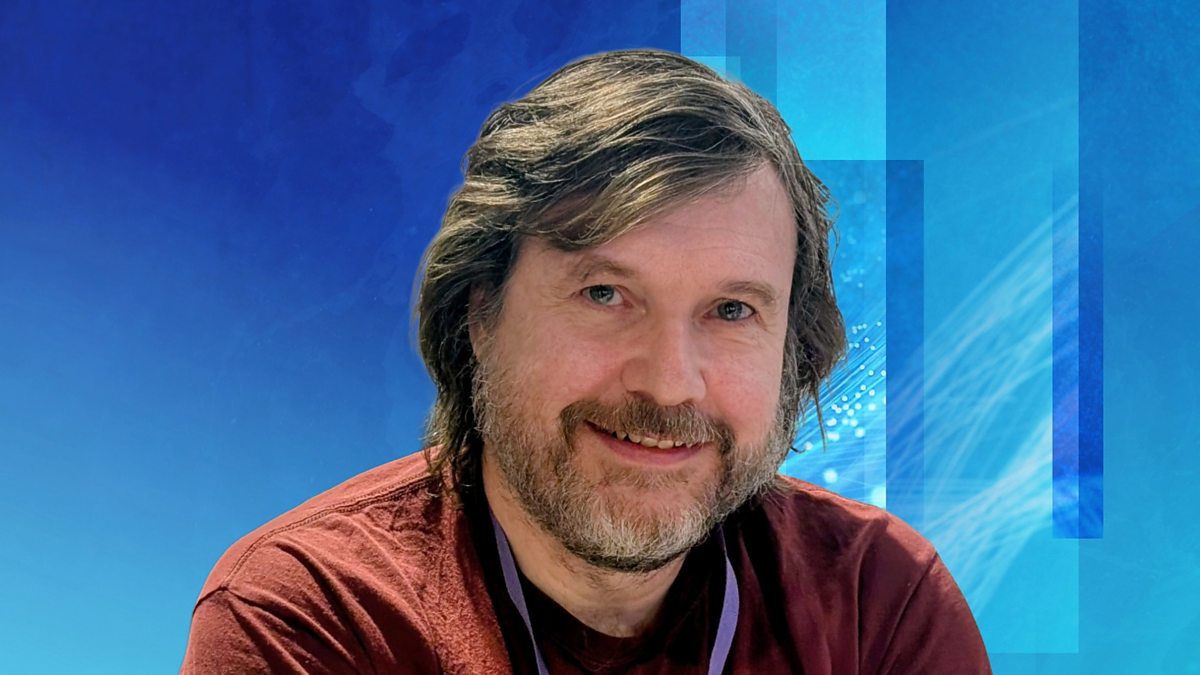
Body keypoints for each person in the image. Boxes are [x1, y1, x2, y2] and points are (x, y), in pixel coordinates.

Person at [181, 49, 991, 674]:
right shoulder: (315, 617)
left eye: (731, 310)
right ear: (479, 313)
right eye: (605, 293)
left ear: (792, 348)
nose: (668, 382)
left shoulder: (878, 603)